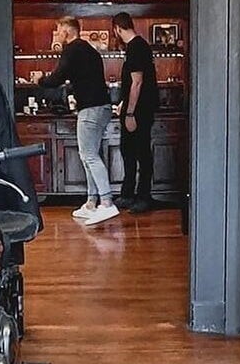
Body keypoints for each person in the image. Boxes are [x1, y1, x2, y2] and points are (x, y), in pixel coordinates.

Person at [40, 17, 118, 224]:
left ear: (67, 30)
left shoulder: (72, 49)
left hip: (90, 108)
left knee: (89, 155)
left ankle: (107, 202)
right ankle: (92, 202)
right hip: (103, 107)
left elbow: (57, 77)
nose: (58, 34)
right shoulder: (89, 50)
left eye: (59, 30)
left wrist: (40, 81)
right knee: (90, 155)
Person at [112, 12, 159, 213]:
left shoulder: (136, 48)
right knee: (128, 151)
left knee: (140, 153)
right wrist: (124, 105)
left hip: (139, 110)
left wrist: (130, 113)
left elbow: (137, 83)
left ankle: (143, 196)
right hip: (134, 108)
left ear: (117, 28)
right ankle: (128, 193)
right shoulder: (136, 47)